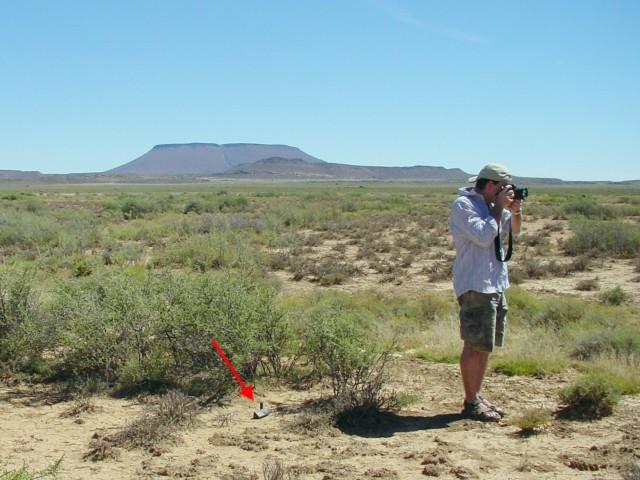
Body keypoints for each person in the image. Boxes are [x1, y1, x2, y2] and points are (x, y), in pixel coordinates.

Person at [449, 163, 523, 422]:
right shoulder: (464, 205)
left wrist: (514, 211)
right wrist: (499, 208)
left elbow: (514, 230)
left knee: (485, 346)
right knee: (474, 344)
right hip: (475, 284)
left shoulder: (493, 207)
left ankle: (477, 396)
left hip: (494, 282)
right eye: (503, 188)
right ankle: (470, 401)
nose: (506, 192)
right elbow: (482, 236)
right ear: (491, 185)